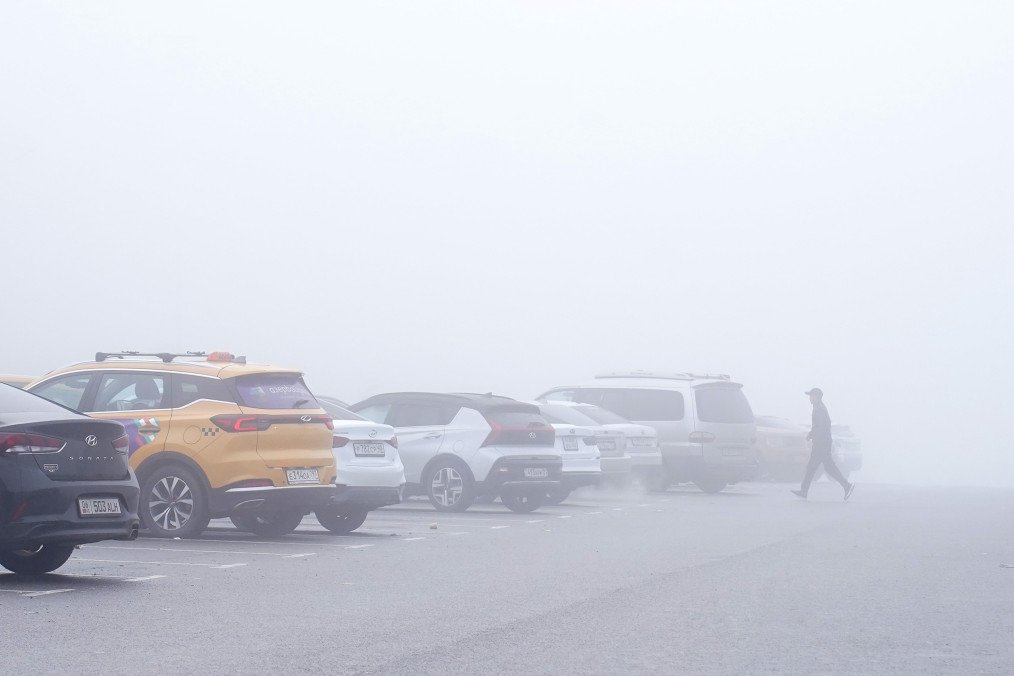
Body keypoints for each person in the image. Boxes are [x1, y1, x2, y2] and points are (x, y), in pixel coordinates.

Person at [793, 388, 855, 501]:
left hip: (822, 443)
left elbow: (822, 427)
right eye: (810, 396)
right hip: (821, 442)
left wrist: (814, 437)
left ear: (817, 397)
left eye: (811, 396)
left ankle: (847, 486)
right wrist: (811, 434)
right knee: (813, 467)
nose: (810, 398)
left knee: (827, 467)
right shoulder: (818, 407)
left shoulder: (819, 409)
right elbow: (819, 426)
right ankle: (804, 491)